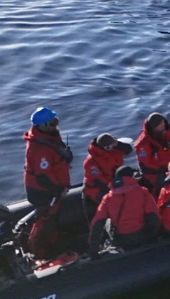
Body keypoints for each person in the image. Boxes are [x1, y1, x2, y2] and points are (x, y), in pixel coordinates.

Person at [20, 106, 73, 258]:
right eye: (53, 122)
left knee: (53, 217)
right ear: (43, 126)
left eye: (56, 121)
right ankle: (36, 251)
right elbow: (42, 176)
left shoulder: (49, 137)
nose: (56, 125)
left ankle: (52, 244)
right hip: (44, 190)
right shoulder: (39, 149)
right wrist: (58, 189)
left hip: (53, 186)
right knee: (45, 219)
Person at [88, 166, 160, 254]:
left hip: (122, 238)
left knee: (107, 221)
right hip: (141, 235)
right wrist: (151, 236)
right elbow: (154, 215)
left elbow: (97, 223)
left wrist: (93, 251)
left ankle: (111, 245)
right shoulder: (143, 192)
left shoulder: (107, 198)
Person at [134, 113, 170, 194]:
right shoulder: (143, 144)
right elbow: (145, 166)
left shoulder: (167, 129)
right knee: (169, 185)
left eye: (163, 122)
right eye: (160, 124)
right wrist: (163, 171)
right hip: (155, 173)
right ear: (154, 128)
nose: (163, 125)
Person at [82, 133, 132, 217]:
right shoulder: (91, 162)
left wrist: (118, 144)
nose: (111, 148)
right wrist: (115, 190)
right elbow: (99, 181)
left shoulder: (114, 150)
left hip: (114, 182)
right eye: (109, 147)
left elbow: (128, 150)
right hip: (96, 189)